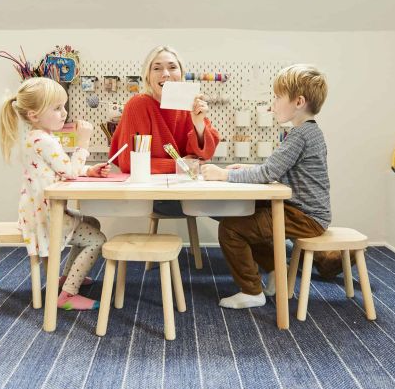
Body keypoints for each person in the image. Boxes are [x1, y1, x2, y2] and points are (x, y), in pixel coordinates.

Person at [201, 64, 338, 309]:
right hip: (304, 212)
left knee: (232, 230)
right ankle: (277, 271)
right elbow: (273, 168)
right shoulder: (307, 132)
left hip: (305, 216)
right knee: (247, 218)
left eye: (277, 98)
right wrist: (241, 171)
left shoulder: (300, 136)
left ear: (299, 101)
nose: (272, 105)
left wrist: (223, 175)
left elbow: (267, 172)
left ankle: (252, 291)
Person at [0, 78, 110, 310]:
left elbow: (59, 170)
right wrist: (84, 142)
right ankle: (67, 295)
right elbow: (69, 172)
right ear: (33, 115)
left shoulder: (37, 137)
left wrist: (89, 170)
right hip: (47, 215)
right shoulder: (43, 140)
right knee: (97, 240)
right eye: (57, 108)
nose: (64, 113)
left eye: (64, 106)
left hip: (38, 210)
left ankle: (67, 278)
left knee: (91, 221)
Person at [109, 46, 220, 215]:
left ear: (182, 74)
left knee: (246, 207)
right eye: (157, 68)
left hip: (187, 190)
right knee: (231, 210)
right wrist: (180, 164)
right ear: (147, 76)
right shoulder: (138, 105)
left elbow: (205, 156)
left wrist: (199, 124)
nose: (166, 73)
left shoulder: (190, 105)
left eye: (172, 67)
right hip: (156, 195)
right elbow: (129, 162)